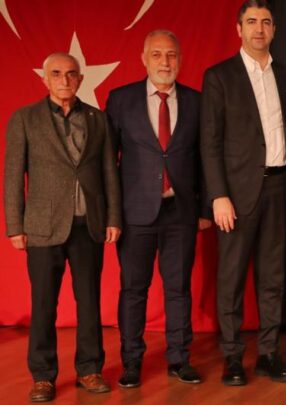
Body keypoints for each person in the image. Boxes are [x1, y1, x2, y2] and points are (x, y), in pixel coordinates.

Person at [4, 52, 122, 402]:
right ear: (45, 79)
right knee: (43, 304)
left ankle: (89, 369)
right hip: (42, 226)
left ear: (80, 79)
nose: (64, 80)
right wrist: (14, 225)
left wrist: (113, 217)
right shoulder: (24, 118)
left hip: (90, 224)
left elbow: (110, 171)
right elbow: (13, 175)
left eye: (71, 74)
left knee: (89, 301)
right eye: (56, 74)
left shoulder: (98, 119)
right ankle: (43, 376)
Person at [105, 29, 211, 388]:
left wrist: (205, 208)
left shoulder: (196, 101)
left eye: (171, 55)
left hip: (181, 212)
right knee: (133, 290)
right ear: (143, 58)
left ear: (180, 59)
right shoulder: (121, 99)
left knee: (178, 289)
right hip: (135, 213)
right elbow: (108, 162)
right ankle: (131, 362)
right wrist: (112, 214)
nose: (165, 62)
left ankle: (179, 359)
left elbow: (205, 158)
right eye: (157, 55)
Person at [200, 0, 286, 385]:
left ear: (274, 29)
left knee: (273, 277)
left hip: (279, 186)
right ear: (238, 29)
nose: (259, 29)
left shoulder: (284, 73)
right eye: (252, 22)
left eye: (266, 22)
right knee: (232, 277)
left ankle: (269, 354)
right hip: (236, 195)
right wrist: (218, 195)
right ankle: (232, 357)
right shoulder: (219, 76)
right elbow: (209, 143)